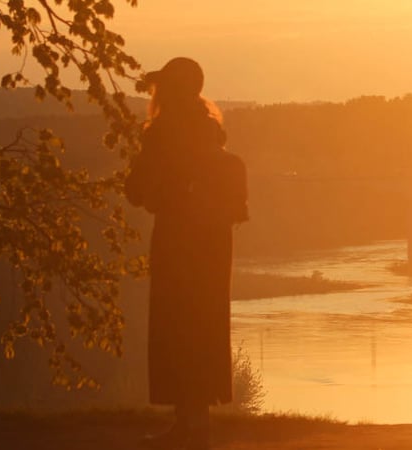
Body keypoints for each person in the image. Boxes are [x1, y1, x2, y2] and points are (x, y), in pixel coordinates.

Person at [126, 57, 248, 449]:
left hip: (178, 239)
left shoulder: (161, 132)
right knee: (206, 323)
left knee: (176, 323)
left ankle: (187, 422)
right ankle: (197, 421)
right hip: (214, 244)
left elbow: (137, 188)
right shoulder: (212, 129)